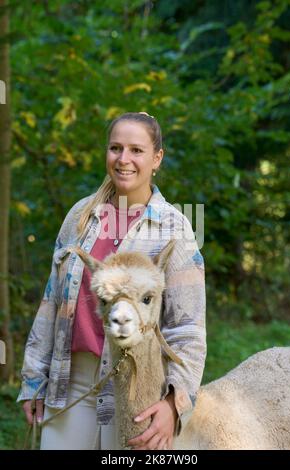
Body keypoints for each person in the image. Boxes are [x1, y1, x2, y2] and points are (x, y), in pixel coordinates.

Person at [17, 111, 206, 450]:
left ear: (156, 158)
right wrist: (34, 380)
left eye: (136, 150)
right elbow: (52, 304)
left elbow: (188, 329)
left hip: (137, 388)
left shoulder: (173, 229)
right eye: (115, 148)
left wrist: (173, 404)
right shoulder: (80, 218)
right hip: (70, 382)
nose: (124, 159)